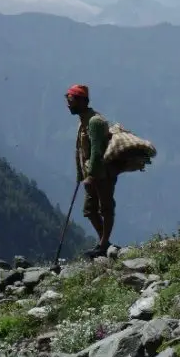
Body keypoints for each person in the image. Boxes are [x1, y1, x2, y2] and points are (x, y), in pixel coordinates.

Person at [67, 84, 117, 257]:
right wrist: (81, 175)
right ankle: (105, 242)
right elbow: (81, 151)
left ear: (81, 101)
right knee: (89, 210)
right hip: (90, 174)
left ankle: (103, 245)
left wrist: (91, 176)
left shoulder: (94, 121)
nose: (68, 104)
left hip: (102, 174)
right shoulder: (83, 121)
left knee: (106, 207)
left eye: (71, 100)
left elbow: (96, 150)